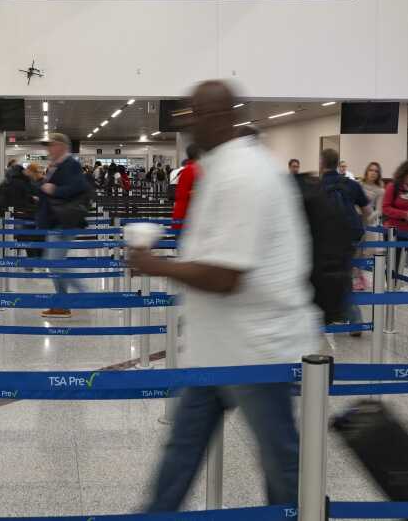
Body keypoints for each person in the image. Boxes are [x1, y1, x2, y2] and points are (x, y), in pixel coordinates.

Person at [129, 81, 317, 510]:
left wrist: (152, 263)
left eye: (194, 113)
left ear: (219, 116)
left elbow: (225, 276)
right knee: (180, 454)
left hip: (256, 350)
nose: (187, 122)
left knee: (282, 463)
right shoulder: (226, 168)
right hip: (217, 346)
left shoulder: (244, 176)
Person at [36, 133, 90, 318]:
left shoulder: (71, 164)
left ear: (62, 146)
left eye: (51, 145)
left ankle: (84, 293)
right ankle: (61, 304)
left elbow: (80, 187)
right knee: (53, 265)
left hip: (63, 221)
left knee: (55, 263)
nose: (49, 149)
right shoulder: (55, 166)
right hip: (54, 220)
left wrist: (55, 189)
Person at [321, 149, 369, 243]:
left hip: (327, 237)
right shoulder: (353, 184)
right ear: (337, 165)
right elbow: (367, 211)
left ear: (322, 163)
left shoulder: (316, 186)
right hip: (351, 233)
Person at [171, 145, 201, 230]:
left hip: (182, 215)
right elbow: (185, 194)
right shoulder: (194, 170)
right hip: (187, 217)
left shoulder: (188, 169)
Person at [359, 162, 384, 229]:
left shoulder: (380, 190)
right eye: (371, 170)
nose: (373, 173)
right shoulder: (358, 185)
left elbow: (379, 211)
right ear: (367, 172)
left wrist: (368, 219)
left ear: (378, 174)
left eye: (376, 171)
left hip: (370, 221)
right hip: (355, 219)